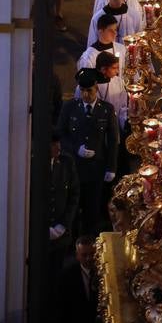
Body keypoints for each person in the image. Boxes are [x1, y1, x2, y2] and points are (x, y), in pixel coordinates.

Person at [57, 68, 118, 235]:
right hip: (74, 168)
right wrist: (76, 149)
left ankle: (91, 245)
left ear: (96, 88)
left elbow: (113, 140)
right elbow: (61, 134)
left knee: (93, 210)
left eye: (89, 90)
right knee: (72, 209)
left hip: (95, 170)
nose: (85, 95)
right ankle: (72, 245)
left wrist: (111, 167)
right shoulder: (70, 108)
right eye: (82, 90)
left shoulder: (106, 109)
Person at [47, 132, 79, 309]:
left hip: (61, 232)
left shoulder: (66, 162)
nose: (58, 148)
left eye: (59, 144)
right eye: (53, 145)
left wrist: (63, 225)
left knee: (57, 274)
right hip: (39, 235)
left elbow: (74, 195)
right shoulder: (32, 163)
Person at [56, 236, 98, 323]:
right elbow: (61, 309)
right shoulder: (67, 276)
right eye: (84, 255)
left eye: (92, 254)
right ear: (77, 255)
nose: (89, 258)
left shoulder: (102, 273)